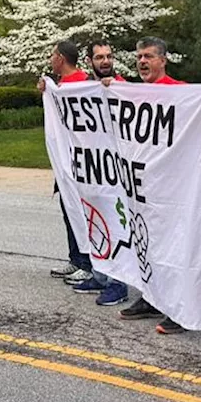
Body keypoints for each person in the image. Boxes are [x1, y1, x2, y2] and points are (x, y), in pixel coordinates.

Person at [115, 37, 197, 335]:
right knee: (145, 244)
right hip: (142, 187)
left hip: (171, 189)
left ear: (163, 60)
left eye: (148, 56)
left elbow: (199, 116)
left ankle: (180, 309)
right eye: (139, 56)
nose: (142, 61)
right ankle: (151, 298)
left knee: (174, 249)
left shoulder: (181, 92)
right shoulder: (132, 92)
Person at [69, 40, 133, 307]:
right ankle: (101, 275)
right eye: (99, 57)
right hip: (94, 170)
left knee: (118, 226)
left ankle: (119, 284)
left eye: (108, 56)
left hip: (117, 174)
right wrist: (47, 91)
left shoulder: (123, 88)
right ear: (90, 61)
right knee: (96, 224)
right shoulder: (85, 88)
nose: (105, 61)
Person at [39, 42, 94, 286]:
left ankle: (88, 262)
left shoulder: (85, 83)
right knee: (68, 208)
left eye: (53, 55)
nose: (51, 59)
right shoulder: (60, 87)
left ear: (61, 58)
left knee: (83, 213)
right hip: (66, 161)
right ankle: (75, 257)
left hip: (84, 162)